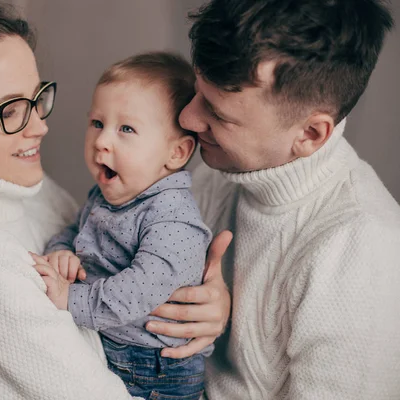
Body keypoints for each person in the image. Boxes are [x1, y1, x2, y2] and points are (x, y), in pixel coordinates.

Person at [0, 1, 230, 399]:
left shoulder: (26, 192)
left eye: (36, 99)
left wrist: (204, 309)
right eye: (10, 110)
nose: (40, 125)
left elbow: (104, 259)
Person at [169, 0, 400, 398]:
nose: (187, 119)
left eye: (218, 113)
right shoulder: (219, 171)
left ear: (310, 134)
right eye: (197, 90)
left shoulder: (360, 250)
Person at [40, 52, 212, 400]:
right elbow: (79, 230)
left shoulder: (172, 217)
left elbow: (138, 290)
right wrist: (61, 252)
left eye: (126, 129)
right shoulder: (110, 193)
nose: (102, 141)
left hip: (155, 370)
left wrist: (68, 299)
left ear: (176, 153)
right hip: (115, 345)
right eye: (97, 123)